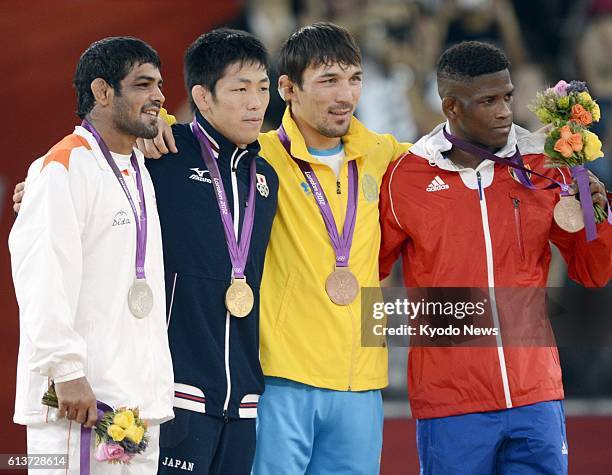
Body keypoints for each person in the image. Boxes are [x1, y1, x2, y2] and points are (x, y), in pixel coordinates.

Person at [379, 40, 612, 475]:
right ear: (451, 106)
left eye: (507, 96)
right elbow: (367, 269)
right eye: (488, 101)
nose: (505, 110)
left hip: (535, 394)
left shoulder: (546, 166)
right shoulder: (404, 178)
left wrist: (600, 214)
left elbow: (593, 271)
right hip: (450, 400)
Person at [9, 37, 175, 474]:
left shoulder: (136, 167)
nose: (159, 95)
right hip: (79, 402)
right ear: (103, 92)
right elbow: (41, 276)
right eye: (143, 84)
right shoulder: (63, 166)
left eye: (159, 84)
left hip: (135, 401)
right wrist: (65, 371)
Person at [144, 29, 278, 474]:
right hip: (177, 391)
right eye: (240, 89)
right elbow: (88, 162)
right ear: (202, 97)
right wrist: (40, 183)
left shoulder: (266, 179)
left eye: (261, 88)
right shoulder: (163, 152)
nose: (255, 102)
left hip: (242, 401)